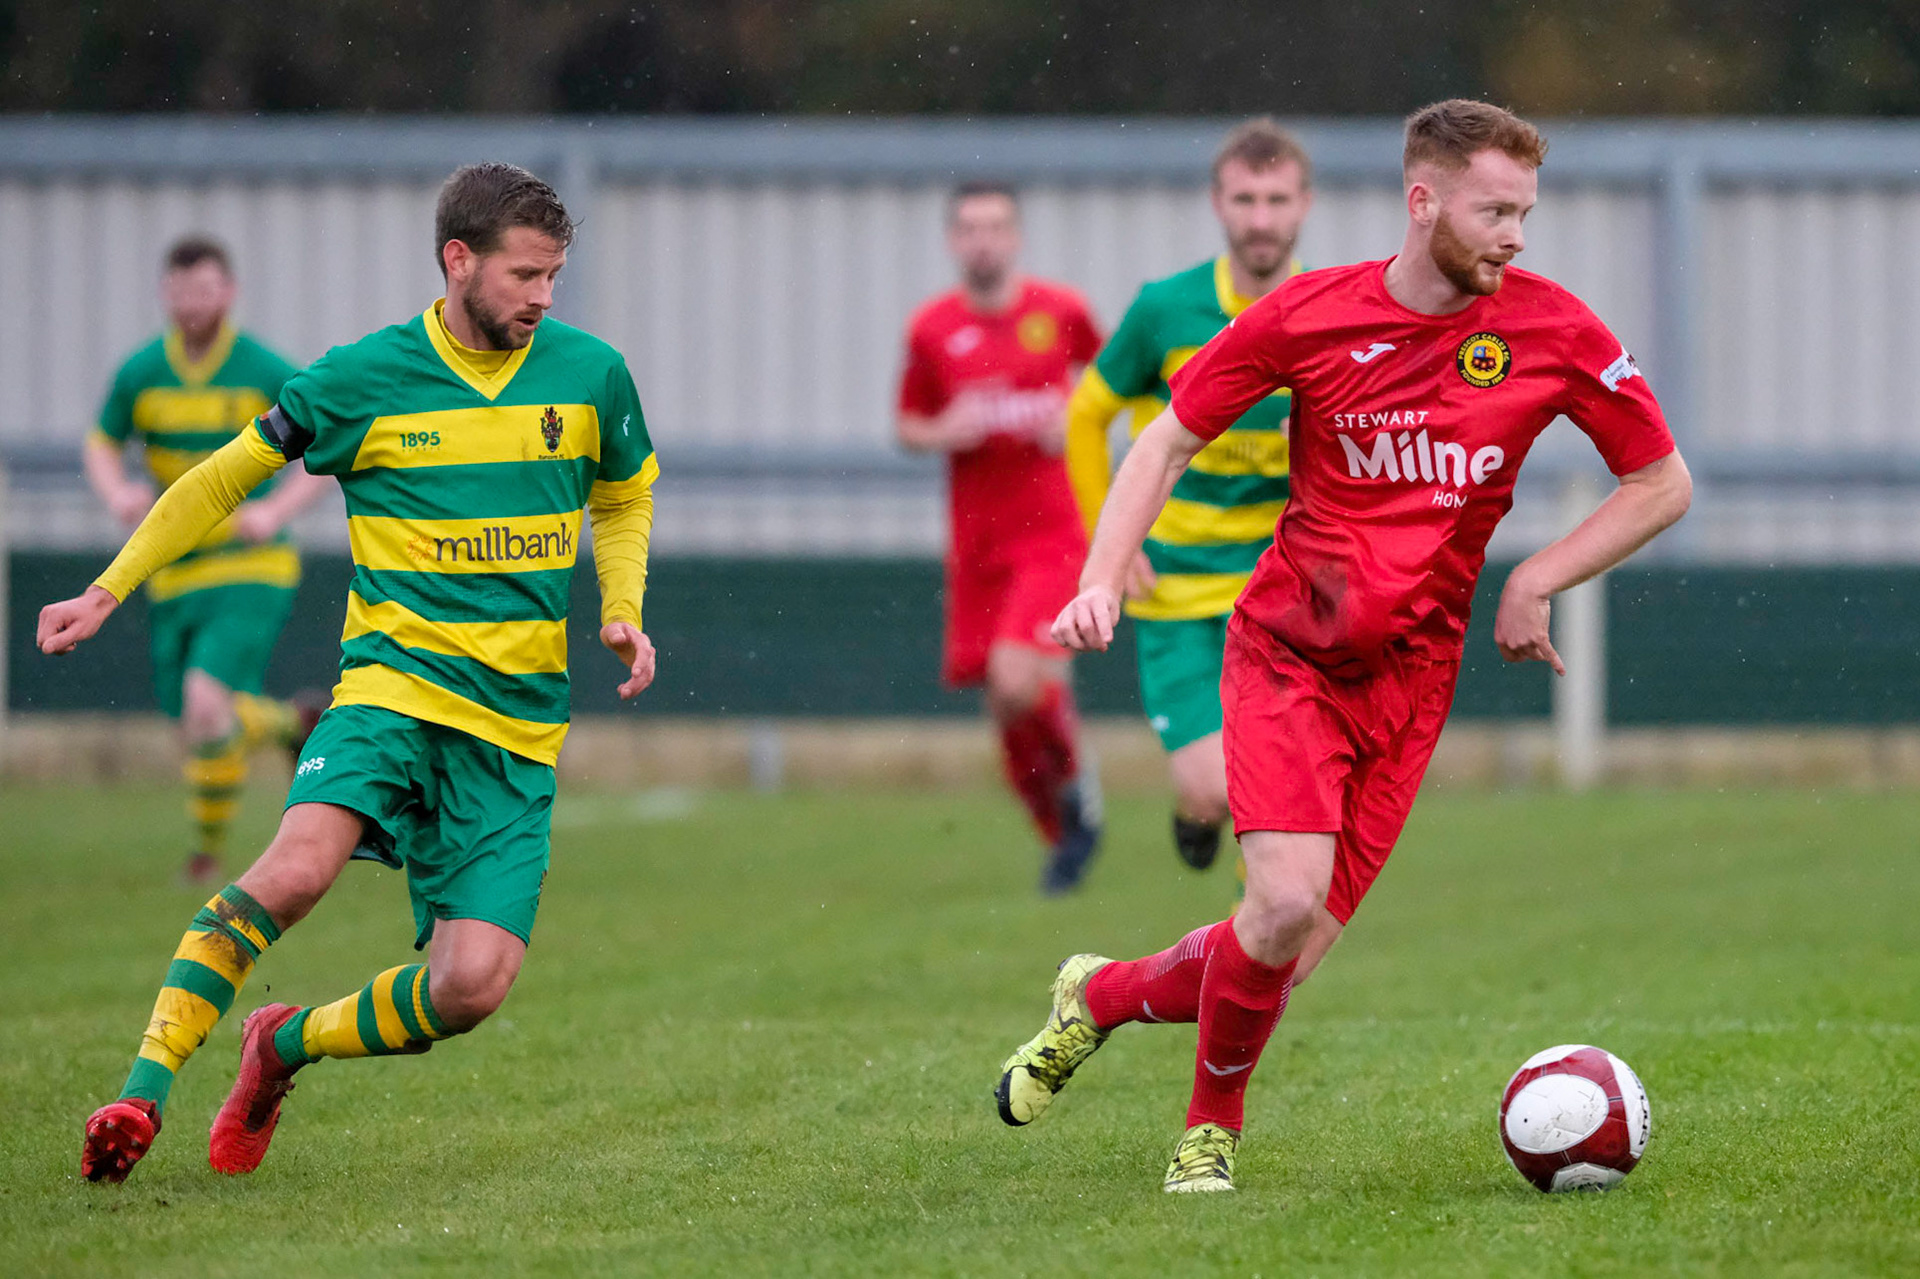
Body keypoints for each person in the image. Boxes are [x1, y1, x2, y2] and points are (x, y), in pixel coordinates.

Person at [996, 100, 1692, 1193]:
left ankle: (1101, 994)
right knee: (1276, 905)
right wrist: (1098, 579)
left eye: (1526, 213)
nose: (1516, 236)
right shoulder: (1312, 315)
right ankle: (1208, 1133)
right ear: (1423, 203)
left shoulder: (1554, 329)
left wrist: (1539, 575)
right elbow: (1164, 436)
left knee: (1290, 949)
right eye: (1495, 211)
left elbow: (1663, 482)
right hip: (1286, 651)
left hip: (1410, 686)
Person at [42, 162, 661, 1185]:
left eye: (555, 275)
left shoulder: (590, 374)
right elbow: (222, 477)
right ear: (457, 261)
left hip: (513, 728)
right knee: (290, 873)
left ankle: (279, 1047)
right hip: (389, 692)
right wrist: (109, 589)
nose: (544, 297)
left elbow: (625, 497)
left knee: (469, 986)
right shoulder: (362, 377)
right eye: (525, 275)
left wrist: (623, 608)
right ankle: (141, 1093)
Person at [1064, 118, 1312, 881]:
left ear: (1304, 204)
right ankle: (1194, 811)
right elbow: (1086, 415)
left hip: (1280, 590)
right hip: (1174, 590)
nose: (1261, 218)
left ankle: (1260, 932)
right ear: (1218, 203)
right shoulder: (1166, 310)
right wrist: (1112, 545)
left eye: (1277, 199)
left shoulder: (1326, 310)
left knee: (1278, 789)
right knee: (1215, 787)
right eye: (1246, 198)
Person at [85, 237, 333, 884]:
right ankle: (293, 720)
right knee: (195, 726)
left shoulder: (260, 367)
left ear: (229, 293)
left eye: (205, 289)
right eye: (181, 290)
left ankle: (205, 860)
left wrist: (276, 512)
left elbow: (325, 446)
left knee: (204, 704)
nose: (192, 303)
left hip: (251, 566)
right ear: (165, 294)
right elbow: (102, 443)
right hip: (174, 569)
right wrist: (118, 493)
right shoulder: (142, 372)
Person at [897, 181, 1106, 894]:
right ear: (954, 241)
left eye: (995, 227)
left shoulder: (1062, 311)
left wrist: (1076, 414)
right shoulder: (932, 329)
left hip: (1051, 531)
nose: (983, 240)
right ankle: (1066, 831)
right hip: (977, 543)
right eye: (969, 228)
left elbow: (1113, 384)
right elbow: (906, 424)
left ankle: (1077, 782)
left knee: (1019, 679)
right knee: (1003, 706)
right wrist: (941, 430)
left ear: (1015, 237)